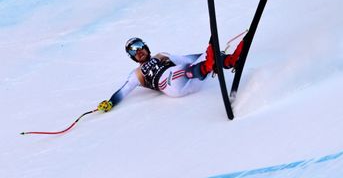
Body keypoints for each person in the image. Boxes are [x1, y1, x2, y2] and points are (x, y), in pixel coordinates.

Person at [97, 37, 244, 112]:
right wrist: (110, 103)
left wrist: (209, 55)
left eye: (139, 46)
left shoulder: (162, 55)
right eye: (132, 50)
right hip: (170, 85)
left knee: (196, 62)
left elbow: (187, 60)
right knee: (173, 73)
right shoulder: (136, 74)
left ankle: (229, 61)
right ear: (131, 57)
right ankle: (208, 65)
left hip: (192, 81)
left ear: (146, 47)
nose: (138, 51)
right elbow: (124, 90)